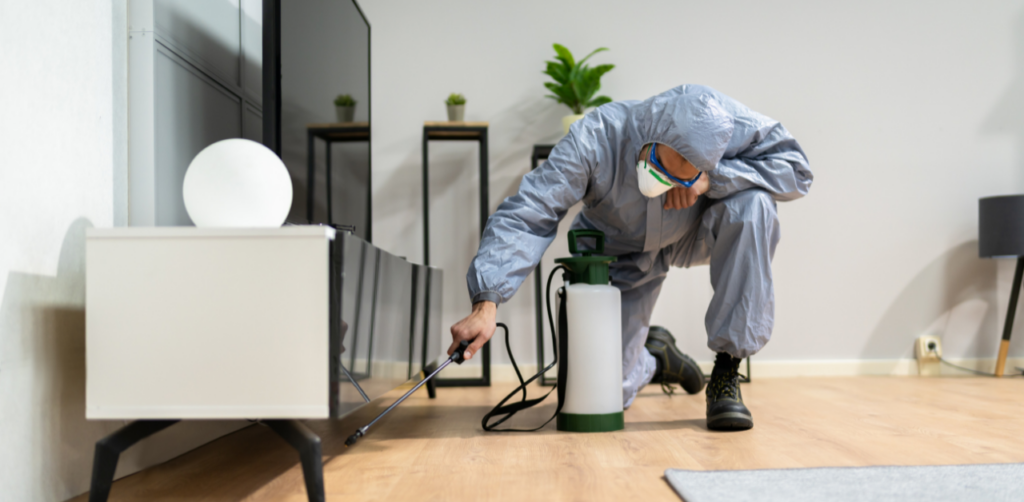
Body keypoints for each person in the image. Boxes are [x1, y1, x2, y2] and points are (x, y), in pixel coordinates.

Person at [448, 84, 812, 431]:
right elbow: (531, 211)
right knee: (607, 394)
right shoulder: (595, 139)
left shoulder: (727, 123)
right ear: (652, 135)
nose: (664, 184)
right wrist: (487, 302)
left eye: (679, 178)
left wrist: (712, 181)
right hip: (619, 252)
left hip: (692, 233)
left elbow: (796, 169)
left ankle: (727, 371)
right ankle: (654, 358)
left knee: (754, 206)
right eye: (662, 167)